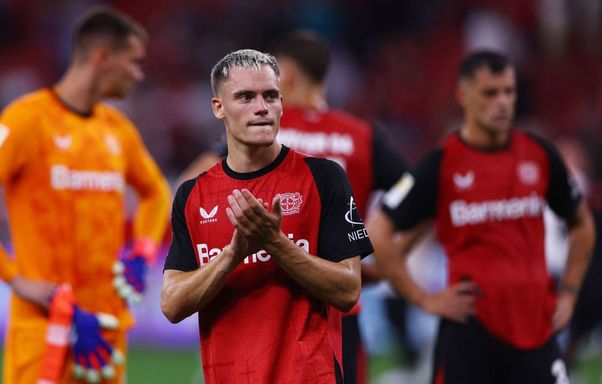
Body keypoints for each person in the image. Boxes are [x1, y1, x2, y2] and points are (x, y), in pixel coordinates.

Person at [0, 6, 171, 384]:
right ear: (102, 57)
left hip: (104, 328)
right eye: (133, 62)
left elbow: (156, 192)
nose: (139, 73)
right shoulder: (27, 119)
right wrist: (14, 278)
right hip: (43, 327)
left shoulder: (118, 130)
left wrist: (144, 251)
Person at [177, 31, 411, 384]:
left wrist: (237, 248)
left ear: (284, 76)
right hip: (337, 300)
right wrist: (381, 251)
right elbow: (413, 190)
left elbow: (194, 184)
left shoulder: (258, 127)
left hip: (276, 299)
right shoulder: (361, 135)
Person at [368, 50, 596, 383]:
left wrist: (570, 292)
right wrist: (422, 298)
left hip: (534, 328)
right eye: (490, 93)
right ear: (463, 96)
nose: (502, 102)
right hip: (469, 333)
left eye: (509, 91)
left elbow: (582, 224)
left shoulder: (540, 154)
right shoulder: (441, 164)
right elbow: (379, 232)